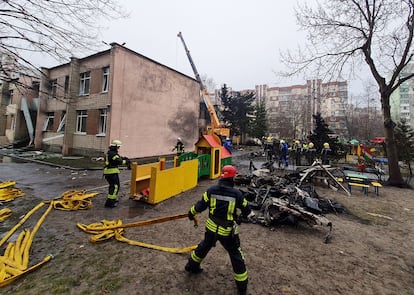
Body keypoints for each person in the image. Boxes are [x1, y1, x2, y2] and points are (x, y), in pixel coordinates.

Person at [185, 165, 254, 295]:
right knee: (236, 255)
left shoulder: (211, 190)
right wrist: (241, 217)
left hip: (211, 228)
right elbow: (247, 210)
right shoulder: (237, 194)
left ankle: (191, 266)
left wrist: (191, 213)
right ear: (232, 178)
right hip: (227, 233)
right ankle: (242, 288)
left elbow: (200, 205)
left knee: (204, 246)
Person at [103, 139, 131, 208]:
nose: (119, 148)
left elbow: (118, 158)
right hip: (111, 172)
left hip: (109, 172)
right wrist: (126, 162)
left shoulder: (111, 152)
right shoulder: (112, 154)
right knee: (115, 187)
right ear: (115, 146)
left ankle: (112, 199)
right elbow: (119, 161)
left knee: (114, 186)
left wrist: (123, 158)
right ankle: (110, 203)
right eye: (118, 147)